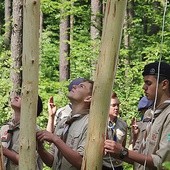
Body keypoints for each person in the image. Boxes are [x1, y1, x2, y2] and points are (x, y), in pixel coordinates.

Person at [104, 61, 170, 170]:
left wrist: (122, 151)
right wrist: (113, 150)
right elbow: (137, 157)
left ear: (164, 84)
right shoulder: (149, 113)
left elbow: (161, 162)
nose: (144, 87)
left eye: (148, 83)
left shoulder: (167, 115)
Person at [36, 79, 94, 170]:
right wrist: (40, 147)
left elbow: (82, 163)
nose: (74, 86)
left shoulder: (91, 124)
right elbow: (52, 162)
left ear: (89, 98)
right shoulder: (63, 122)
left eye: (81, 86)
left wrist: (55, 139)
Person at [0, 94, 43, 170]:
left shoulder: (33, 131)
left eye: (23, 97)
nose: (16, 96)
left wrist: (2, 149)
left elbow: (26, 161)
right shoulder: (5, 128)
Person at [103, 92, 128, 170]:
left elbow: (122, 146)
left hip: (118, 166)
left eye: (118, 105)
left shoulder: (123, 125)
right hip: (103, 164)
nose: (116, 108)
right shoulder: (100, 123)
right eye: (113, 105)